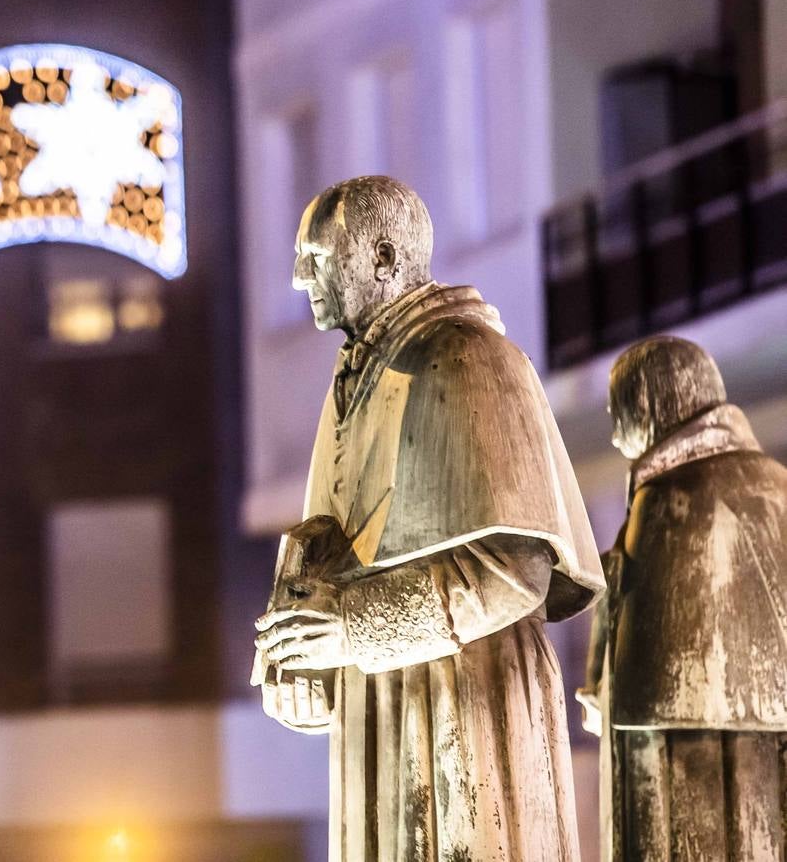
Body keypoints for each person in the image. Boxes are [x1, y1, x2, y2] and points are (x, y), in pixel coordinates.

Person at [253, 175, 602, 861]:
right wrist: (298, 664)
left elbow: (511, 573)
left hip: (463, 707)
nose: (299, 280)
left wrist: (352, 629)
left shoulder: (470, 358)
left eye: (317, 258)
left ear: (382, 258)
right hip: (382, 711)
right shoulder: (350, 382)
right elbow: (330, 555)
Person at [581, 335, 787, 858]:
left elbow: (653, 684)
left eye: (618, 410)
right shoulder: (778, 486)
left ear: (650, 403)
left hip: (687, 772)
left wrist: (608, 694)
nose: (612, 433)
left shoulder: (671, 498)